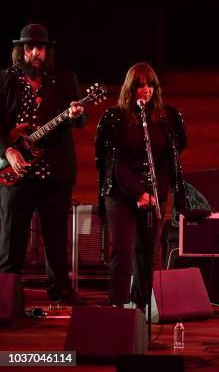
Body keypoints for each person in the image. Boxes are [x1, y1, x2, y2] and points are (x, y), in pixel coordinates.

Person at [0, 24, 86, 304]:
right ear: (21, 51)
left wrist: (75, 114)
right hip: (16, 173)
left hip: (54, 172)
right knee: (11, 237)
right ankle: (5, 295)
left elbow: (80, 121)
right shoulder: (5, 81)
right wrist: (8, 152)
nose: (35, 53)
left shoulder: (64, 79)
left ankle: (60, 290)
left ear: (47, 51)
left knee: (56, 238)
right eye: (29, 47)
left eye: (40, 48)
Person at [95, 62, 186, 309]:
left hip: (154, 193)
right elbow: (113, 162)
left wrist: (158, 193)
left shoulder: (166, 117)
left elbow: (170, 159)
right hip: (121, 193)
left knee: (147, 252)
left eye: (150, 85)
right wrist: (137, 193)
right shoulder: (115, 118)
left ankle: (141, 306)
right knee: (123, 251)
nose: (145, 90)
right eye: (139, 86)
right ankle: (117, 307)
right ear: (130, 89)